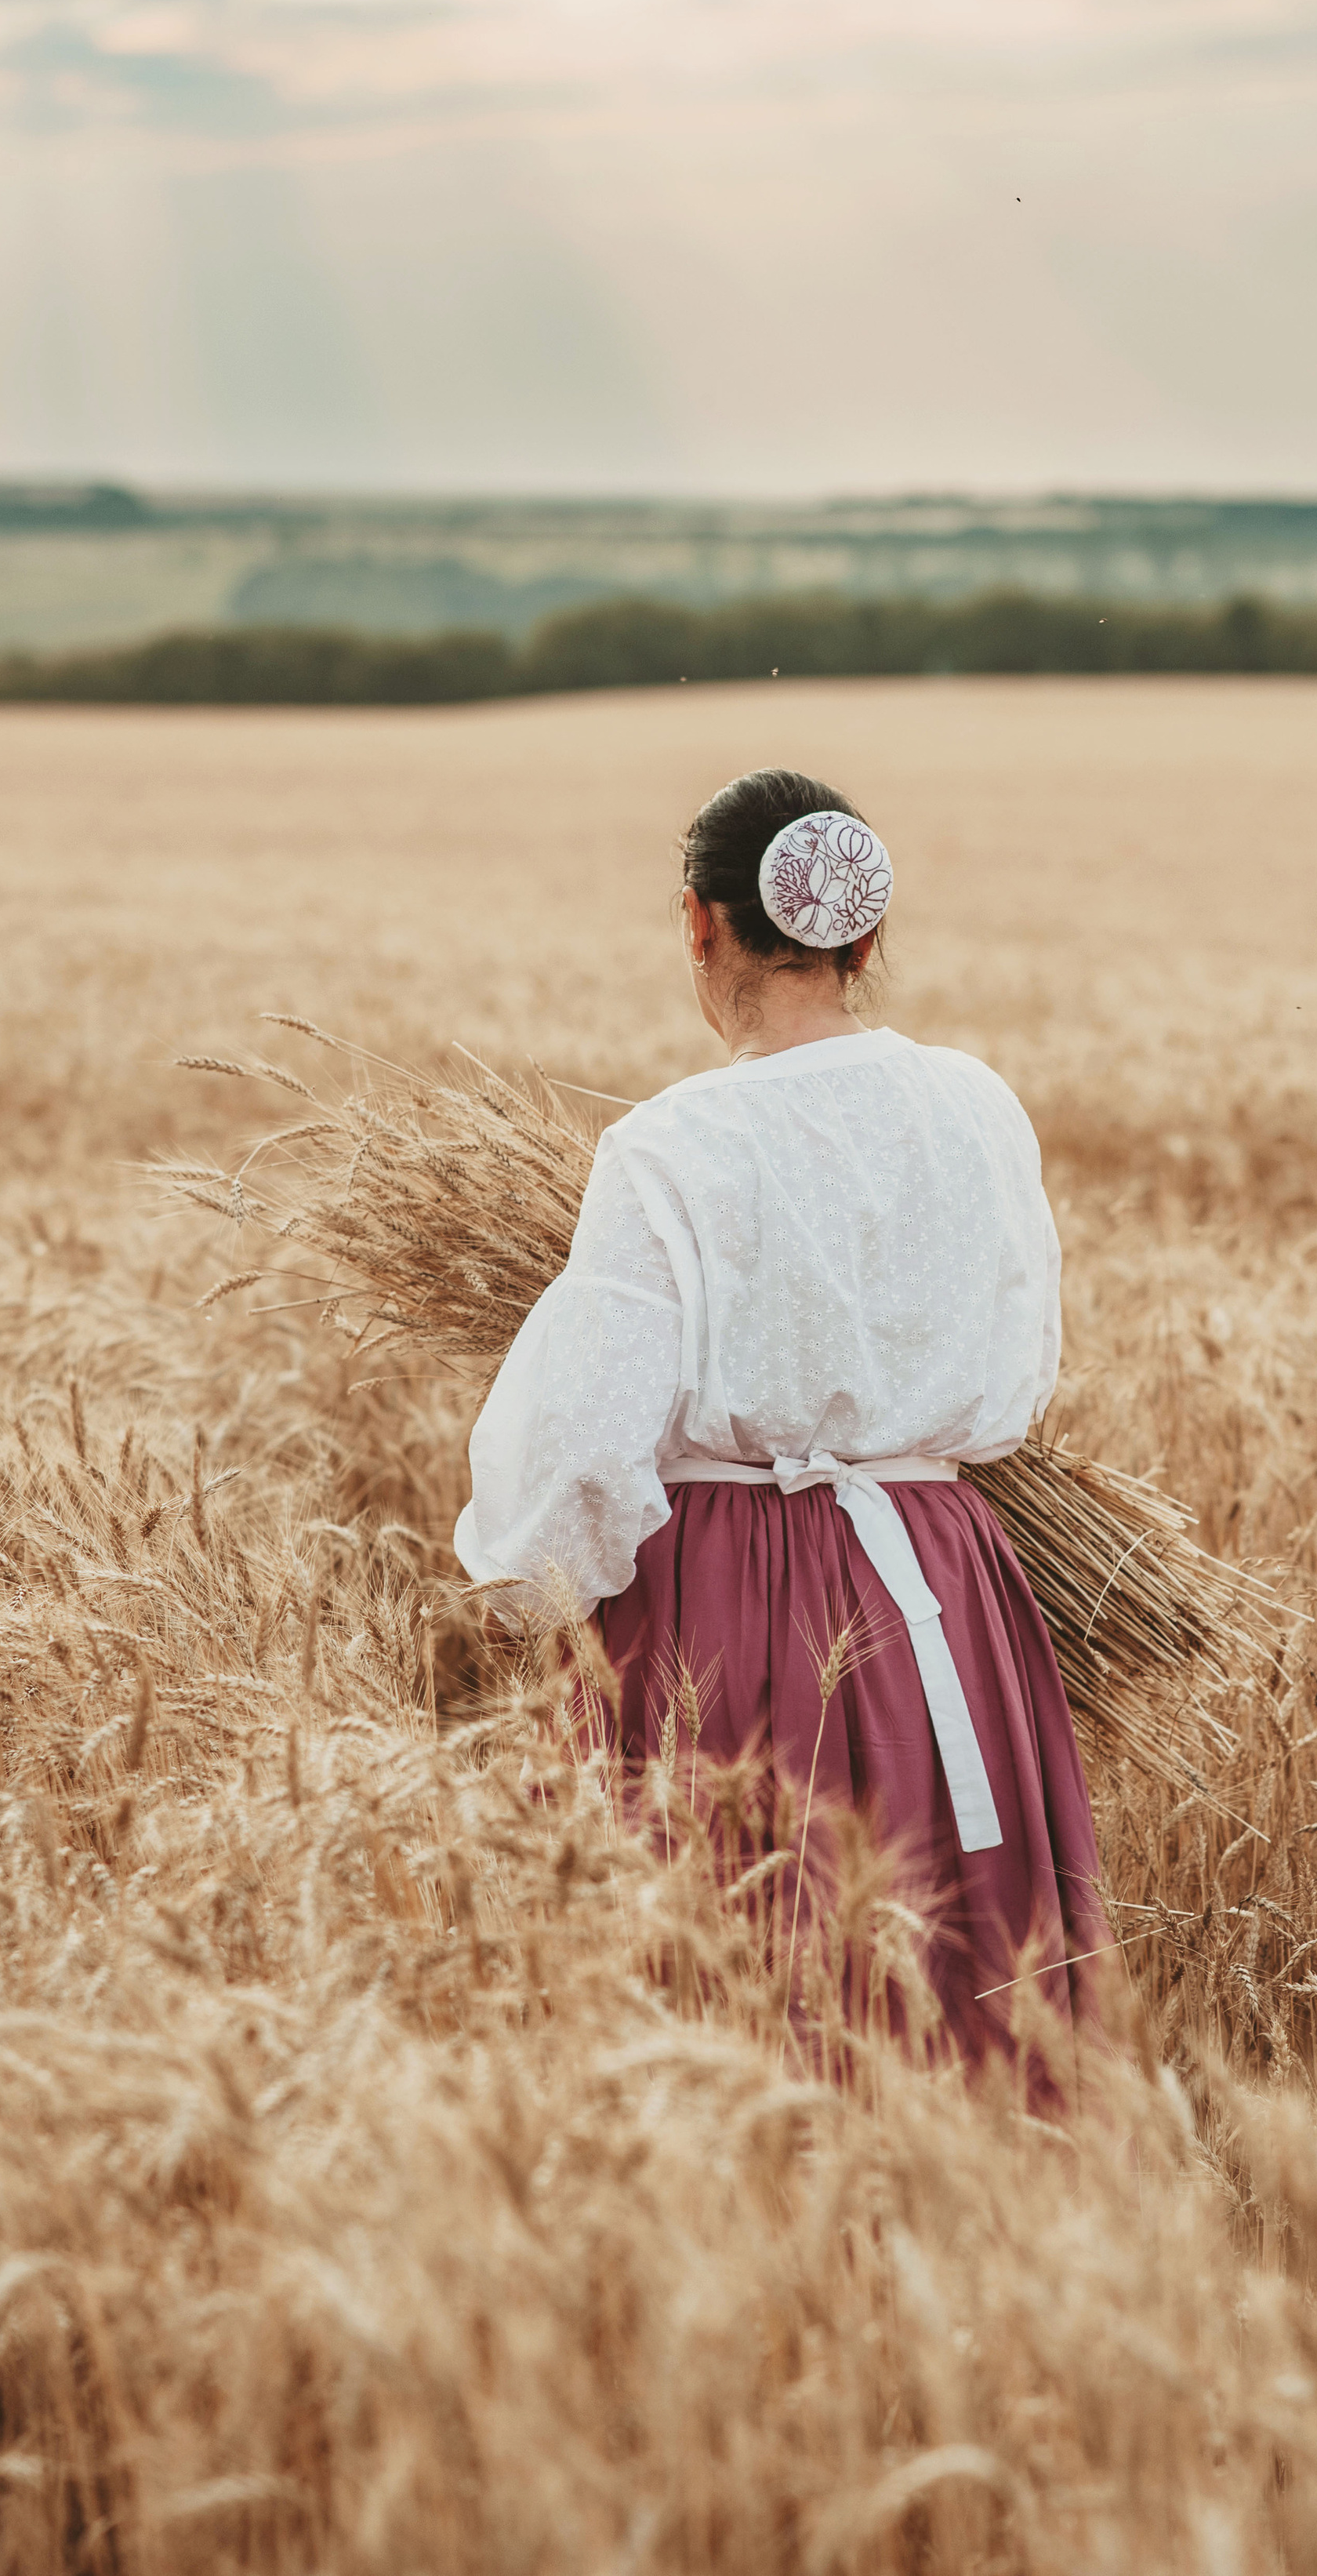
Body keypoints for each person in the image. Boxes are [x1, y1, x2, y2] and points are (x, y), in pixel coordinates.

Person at [454, 767, 1113, 2075]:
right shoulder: (979, 1107)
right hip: (943, 1581)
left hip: (729, 1600)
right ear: (864, 941)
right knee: (961, 1979)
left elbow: (591, 1438)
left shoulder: (670, 1145)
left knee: (742, 1982)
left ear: (698, 925)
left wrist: (522, 1599)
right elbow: (1023, 1367)